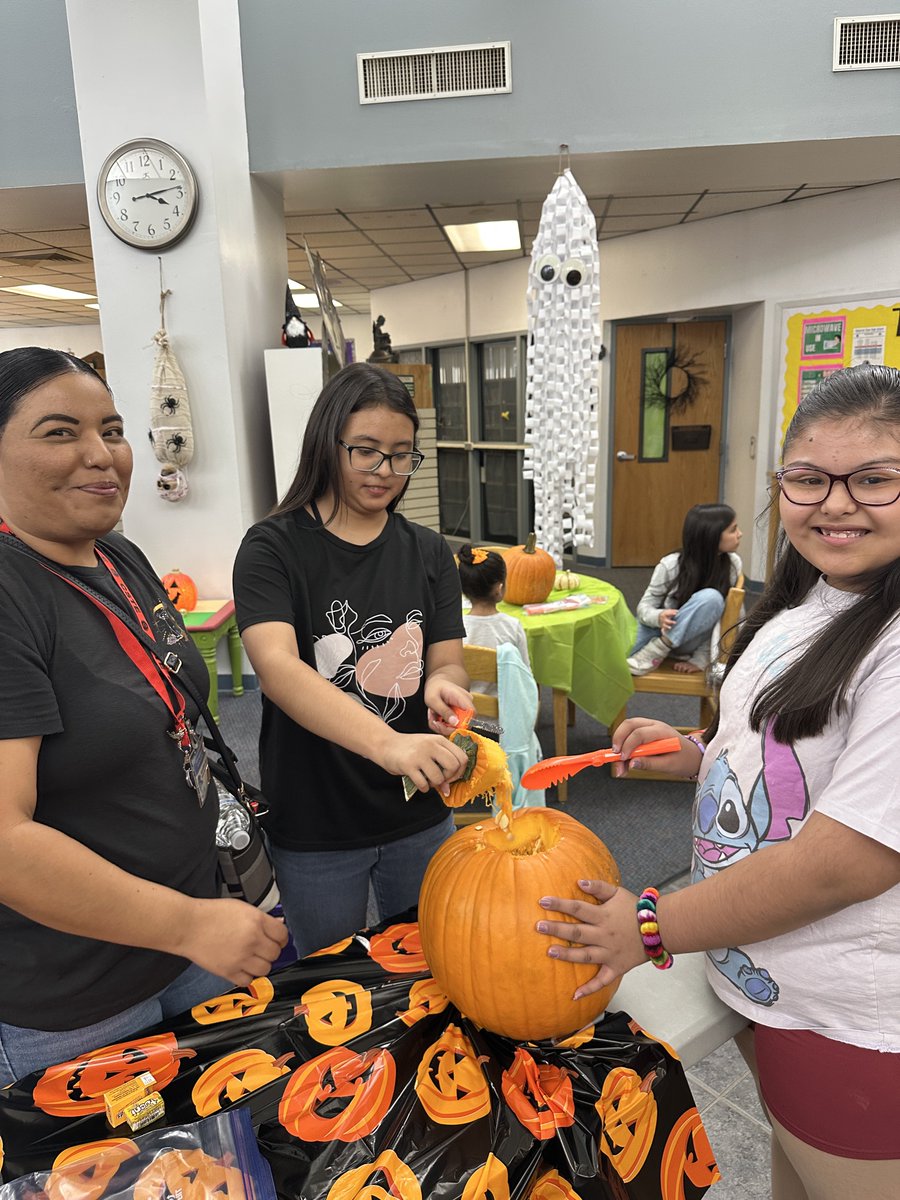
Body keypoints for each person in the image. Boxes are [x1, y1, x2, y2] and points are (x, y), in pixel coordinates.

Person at [537, 364, 900, 1198]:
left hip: (848, 1025)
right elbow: (791, 737)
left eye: (874, 479)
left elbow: (848, 861)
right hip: (766, 980)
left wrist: (653, 926)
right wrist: (701, 752)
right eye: (809, 479)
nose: (835, 503)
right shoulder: (814, 598)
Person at [0, 348, 286, 1087]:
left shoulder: (118, 555)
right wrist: (188, 925)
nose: (102, 456)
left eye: (114, 428)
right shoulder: (9, 597)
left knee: (218, 1160)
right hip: (82, 993)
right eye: (59, 432)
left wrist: (198, 920)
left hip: (192, 936)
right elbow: (5, 840)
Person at [233, 363, 472, 958]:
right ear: (327, 443)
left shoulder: (428, 551)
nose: (385, 472)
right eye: (366, 452)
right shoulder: (273, 547)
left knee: (428, 966)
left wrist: (443, 687)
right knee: (326, 983)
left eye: (401, 456)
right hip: (317, 821)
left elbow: (445, 662)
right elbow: (280, 671)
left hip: (419, 810)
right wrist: (389, 745)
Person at [626, 503, 742, 675]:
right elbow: (643, 608)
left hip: (689, 641)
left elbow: (721, 621)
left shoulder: (733, 564)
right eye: (733, 530)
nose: (740, 534)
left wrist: (701, 659)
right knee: (612, 657)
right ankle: (658, 648)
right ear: (712, 536)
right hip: (657, 631)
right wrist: (659, 617)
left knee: (712, 598)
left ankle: (657, 651)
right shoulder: (670, 565)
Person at [458, 543, 531, 696]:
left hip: (461, 714)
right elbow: (524, 676)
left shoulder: (455, 629)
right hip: (503, 715)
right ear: (499, 588)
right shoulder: (512, 627)